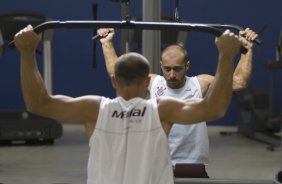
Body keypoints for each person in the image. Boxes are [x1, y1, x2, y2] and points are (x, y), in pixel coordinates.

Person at [14, 25, 241, 184]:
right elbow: (215, 108)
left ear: (114, 80)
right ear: (147, 82)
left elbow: (37, 103)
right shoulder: (161, 110)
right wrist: (226, 56)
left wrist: (27, 51)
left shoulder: (94, 109)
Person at [97, 27, 258, 178]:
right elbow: (118, 74)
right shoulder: (152, 82)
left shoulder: (200, 84)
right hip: (157, 163)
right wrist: (107, 43)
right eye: (167, 69)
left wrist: (247, 49)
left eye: (177, 69)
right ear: (161, 66)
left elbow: (239, 82)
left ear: (187, 66)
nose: (172, 74)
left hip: (192, 164)